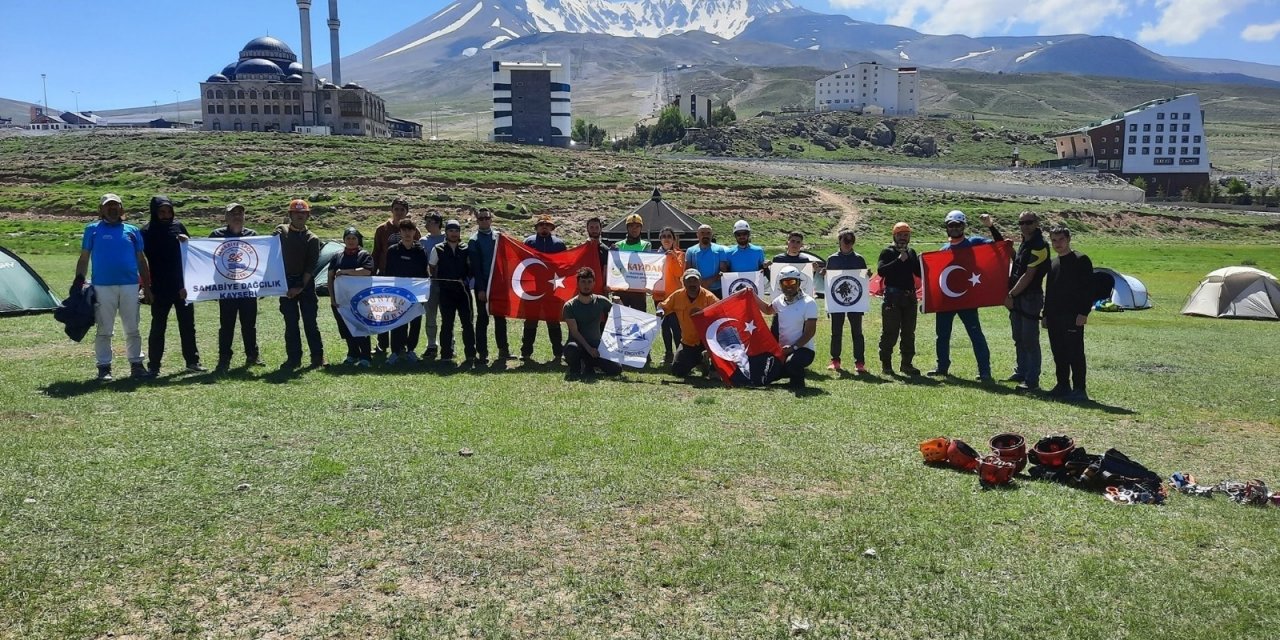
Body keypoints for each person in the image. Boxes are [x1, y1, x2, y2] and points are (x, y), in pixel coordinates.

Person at [74, 193, 154, 381]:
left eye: (116, 205)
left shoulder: (132, 230)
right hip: (102, 286)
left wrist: (147, 286)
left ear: (122, 209)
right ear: (101, 210)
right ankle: (104, 367)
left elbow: (141, 260)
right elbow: (84, 257)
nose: (112, 209)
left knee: (132, 327)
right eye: (108, 206)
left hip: (130, 285)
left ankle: (136, 364)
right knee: (104, 329)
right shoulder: (92, 230)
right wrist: (78, 282)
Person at [928, 210, 1003, 382]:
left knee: (975, 335)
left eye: (958, 225)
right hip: (947, 300)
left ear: (964, 226)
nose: (954, 228)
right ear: (946, 227)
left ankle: (985, 371)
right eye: (951, 225)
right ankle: (942, 367)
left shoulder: (975, 243)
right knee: (942, 334)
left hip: (968, 299)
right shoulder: (943, 250)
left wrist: (991, 226)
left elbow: (1001, 245)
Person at [142, 195, 203, 374]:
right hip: (159, 288)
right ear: (154, 212)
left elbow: (190, 254)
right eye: (162, 212)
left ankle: (192, 362)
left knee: (187, 326)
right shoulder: (146, 232)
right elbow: (141, 261)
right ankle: (154, 366)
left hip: (182, 287)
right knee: (158, 327)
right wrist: (146, 288)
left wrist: (187, 242)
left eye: (169, 211)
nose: (166, 215)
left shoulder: (178, 227)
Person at [210, 203, 263, 372]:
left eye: (240, 213)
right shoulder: (216, 236)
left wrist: (263, 286)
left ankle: (252, 355)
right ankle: (224, 358)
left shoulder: (253, 236)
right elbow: (205, 259)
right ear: (226, 217)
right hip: (226, 290)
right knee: (226, 325)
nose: (237, 216)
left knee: (249, 324)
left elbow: (259, 261)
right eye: (233, 213)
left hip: (248, 289)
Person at [1043, 225, 1093, 402]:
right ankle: (1062, 385)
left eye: (1061, 239)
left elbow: (1088, 289)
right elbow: (1049, 291)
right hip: (1055, 316)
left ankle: (1080, 388)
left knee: (1075, 353)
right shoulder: (1053, 263)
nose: (1057, 244)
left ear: (1069, 239)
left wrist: (1083, 312)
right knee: (1059, 352)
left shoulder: (1081, 260)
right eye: (1054, 240)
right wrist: (1046, 314)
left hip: (1073, 316)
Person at [275, 199, 325, 369]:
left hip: (305, 284)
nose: (299, 216)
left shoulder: (313, 239)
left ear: (308, 216)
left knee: (310, 322)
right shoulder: (281, 233)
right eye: (296, 213)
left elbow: (310, 267)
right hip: (285, 283)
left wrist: (300, 287)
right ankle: (293, 359)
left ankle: (317, 358)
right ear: (290, 215)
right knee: (290, 323)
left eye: (302, 213)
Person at [1005, 211, 1050, 391]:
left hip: (1030, 297)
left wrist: (1011, 295)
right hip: (1019, 296)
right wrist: (1011, 252)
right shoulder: (1025, 243)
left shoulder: (1040, 245)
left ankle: (1032, 381)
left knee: (1030, 340)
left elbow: (1029, 275)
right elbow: (1019, 264)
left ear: (1037, 223)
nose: (1025, 226)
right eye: (1021, 223)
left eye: (1029, 222)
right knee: (1018, 337)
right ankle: (1021, 371)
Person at [755, 266, 818, 388]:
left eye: (792, 281)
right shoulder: (780, 300)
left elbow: (810, 332)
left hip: (803, 350)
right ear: (780, 284)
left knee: (792, 363)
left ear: (799, 283)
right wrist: (752, 295)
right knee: (765, 375)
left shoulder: (809, 303)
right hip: (783, 351)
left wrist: (793, 348)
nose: (789, 285)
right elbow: (768, 310)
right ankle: (782, 372)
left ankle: (798, 382)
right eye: (785, 282)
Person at [876, 222, 921, 375]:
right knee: (890, 332)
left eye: (906, 235)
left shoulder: (912, 252)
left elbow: (919, 274)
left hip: (910, 297)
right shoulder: (887, 252)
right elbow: (881, 271)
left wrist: (920, 262)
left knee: (909, 332)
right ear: (894, 236)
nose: (903, 238)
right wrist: (898, 260)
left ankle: (906, 364)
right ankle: (886, 365)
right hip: (892, 298)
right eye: (900, 235)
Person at [384, 218, 431, 364]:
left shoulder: (420, 251)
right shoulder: (393, 251)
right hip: (397, 294)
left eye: (410, 230)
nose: (407, 233)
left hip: (416, 294)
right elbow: (388, 273)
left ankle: (411, 350)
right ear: (400, 232)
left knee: (415, 322)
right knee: (397, 321)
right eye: (404, 230)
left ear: (414, 232)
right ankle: (396, 351)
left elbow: (424, 273)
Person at [562, 267, 623, 380]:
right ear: (578, 283)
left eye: (589, 282)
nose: (586, 285)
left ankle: (589, 364)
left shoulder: (601, 301)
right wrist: (589, 349)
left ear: (594, 283)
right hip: (579, 345)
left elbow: (620, 315)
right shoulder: (569, 306)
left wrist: (618, 303)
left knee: (616, 369)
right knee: (571, 349)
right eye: (583, 282)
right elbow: (574, 332)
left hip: (597, 346)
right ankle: (575, 368)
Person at [657, 268, 719, 378]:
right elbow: (663, 306)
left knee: (715, 375)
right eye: (689, 281)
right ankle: (700, 361)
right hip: (688, 341)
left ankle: (709, 360)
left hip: (707, 341)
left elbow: (720, 313)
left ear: (700, 282)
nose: (692, 284)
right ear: (683, 283)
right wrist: (660, 311)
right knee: (678, 371)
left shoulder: (709, 297)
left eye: (695, 281)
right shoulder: (677, 296)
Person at [521, 214, 567, 364]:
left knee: (553, 321)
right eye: (541, 225)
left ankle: (558, 354)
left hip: (552, 289)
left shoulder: (559, 244)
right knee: (530, 321)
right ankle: (526, 354)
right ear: (536, 228)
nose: (544, 227)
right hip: (532, 288)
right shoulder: (528, 242)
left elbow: (565, 265)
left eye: (547, 225)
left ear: (552, 228)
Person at [372, 197, 414, 355]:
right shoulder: (382, 229)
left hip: (404, 278)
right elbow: (376, 252)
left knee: (401, 313)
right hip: (384, 275)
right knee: (382, 312)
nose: (399, 212)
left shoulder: (413, 229)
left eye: (402, 210)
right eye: (396, 209)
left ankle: (401, 345)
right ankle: (381, 345)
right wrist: (372, 272)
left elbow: (418, 250)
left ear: (406, 212)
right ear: (391, 210)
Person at [430, 219, 477, 363]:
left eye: (456, 230)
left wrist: (468, 281)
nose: (454, 233)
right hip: (446, 292)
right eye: (451, 230)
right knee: (447, 324)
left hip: (463, 292)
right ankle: (446, 355)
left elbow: (471, 268)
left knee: (467, 323)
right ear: (446, 232)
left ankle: (470, 354)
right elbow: (432, 267)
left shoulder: (465, 248)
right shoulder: (438, 248)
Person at [328, 227, 374, 367]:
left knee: (361, 326)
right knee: (345, 326)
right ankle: (352, 353)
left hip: (361, 299)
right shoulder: (337, 256)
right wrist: (332, 297)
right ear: (344, 240)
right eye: (348, 238)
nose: (351, 241)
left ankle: (365, 356)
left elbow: (366, 271)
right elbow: (330, 277)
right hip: (341, 299)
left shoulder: (364, 255)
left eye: (354, 238)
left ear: (358, 239)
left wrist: (345, 272)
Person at [469, 207, 509, 363]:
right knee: (483, 319)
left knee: (500, 318)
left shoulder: (499, 237)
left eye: (487, 218)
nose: (485, 221)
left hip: (499, 285)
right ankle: (482, 352)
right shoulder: (474, 240)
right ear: (477, 221)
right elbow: (476, 268)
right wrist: (480, 289)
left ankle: (503, 350)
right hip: (484, 284)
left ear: (491, 219)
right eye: (481, 219)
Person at [824, 229, 868, 373]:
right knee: (836, 331)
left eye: (851, 241)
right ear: (839, 241)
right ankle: (835, 360)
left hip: (855, 302)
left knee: (857, 332)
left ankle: (860, 362)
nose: (848, 244)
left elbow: (862, 280)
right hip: (837, 302)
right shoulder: (832, 259)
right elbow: (828, 282)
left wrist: (868, 275)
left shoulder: (859, 259)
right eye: (845, 240)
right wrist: (823, 274)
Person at [652, 227, 684, 366]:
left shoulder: (679, 254)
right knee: (664, 326)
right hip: (659, 296)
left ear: (673, 239)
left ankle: (679, 354)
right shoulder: (654, 255)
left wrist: (672, 257)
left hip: (674, 296)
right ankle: (668, 353)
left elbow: (678, 273)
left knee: (676, 326)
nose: (666, 239)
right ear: (660, 239)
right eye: (663, 236)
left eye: (669, 236)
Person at [612, 213, 654, 312]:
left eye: (637, 226)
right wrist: (613, 254)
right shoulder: (618, 245)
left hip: (638, 288)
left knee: (638, 319)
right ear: (627, 228)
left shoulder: (646, 245)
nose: (634, 229)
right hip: (621, 288)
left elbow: (646, 263)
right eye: (631, 226)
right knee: (621, 317)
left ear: (641, 228)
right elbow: (616, 265)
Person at [418, 212, 446, 359]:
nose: (427, 225)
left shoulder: (446, 239)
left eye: (430, 222)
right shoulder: (423, 241)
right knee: (430, 315)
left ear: (437, 223)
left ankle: (449, 344)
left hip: (446, 283)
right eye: (426, 221)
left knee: (447, 316)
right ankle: (431, 344)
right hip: (428, 284)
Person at [684, 223, 723, 297]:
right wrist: (700, 283)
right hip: (697, 290)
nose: (705, 235)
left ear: (712, 235)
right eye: (702, 233)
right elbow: (687, 271)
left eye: (708, 233)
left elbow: (723, 271)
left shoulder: (720, 250)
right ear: (697, 235)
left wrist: (709, 281)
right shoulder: (690, 251)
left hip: (717, 290)